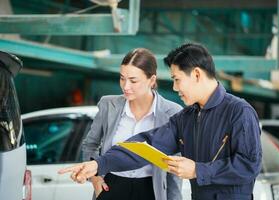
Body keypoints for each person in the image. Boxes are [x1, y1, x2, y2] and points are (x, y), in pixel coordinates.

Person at [59, 43, 262, 200]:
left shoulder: (239, 112)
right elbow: (145, 146)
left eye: (177, 79)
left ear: (197, 74)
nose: (174, 88)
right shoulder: (186, 118)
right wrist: (99, 164)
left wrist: (198, 170)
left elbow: (249, 166)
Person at [80, 48, 183, 200]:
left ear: (152, 80)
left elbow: (174, 168)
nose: (125, 86)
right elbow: (90, 144)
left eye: (133, 80)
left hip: (151, 190)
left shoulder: (173, 112)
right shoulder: (108, 105)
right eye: (122, 78)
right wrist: (95, 177)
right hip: (111, 186)